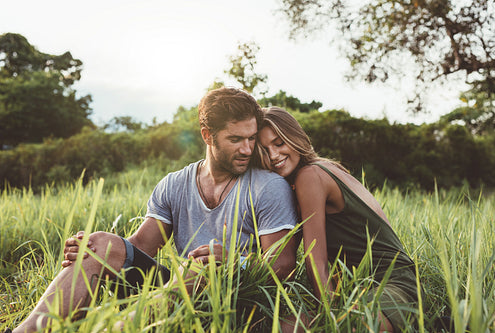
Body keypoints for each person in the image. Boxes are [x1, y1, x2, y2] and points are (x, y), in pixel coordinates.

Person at [11, 88, 298, 333]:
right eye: (235, 140)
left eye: (251, 138)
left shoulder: (268, 186)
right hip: (175, 290)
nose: (248, 149)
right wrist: (95, 249)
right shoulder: (175, 183)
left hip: (237, 299)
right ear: (207, 135)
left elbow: (283, 263)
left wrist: (237, 261)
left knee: (201, 266)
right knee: (99, 244)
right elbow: (140, 246)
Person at [257, 107, 421, 333]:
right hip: (355, 290)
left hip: (391, 283)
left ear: (295, 138)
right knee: (283, 327)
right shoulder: (318, 171)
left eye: (279, 143)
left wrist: (332, 317)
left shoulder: (310, 175)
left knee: (353, 327)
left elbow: (315, 260)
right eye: (264, 151)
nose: (274, 155)